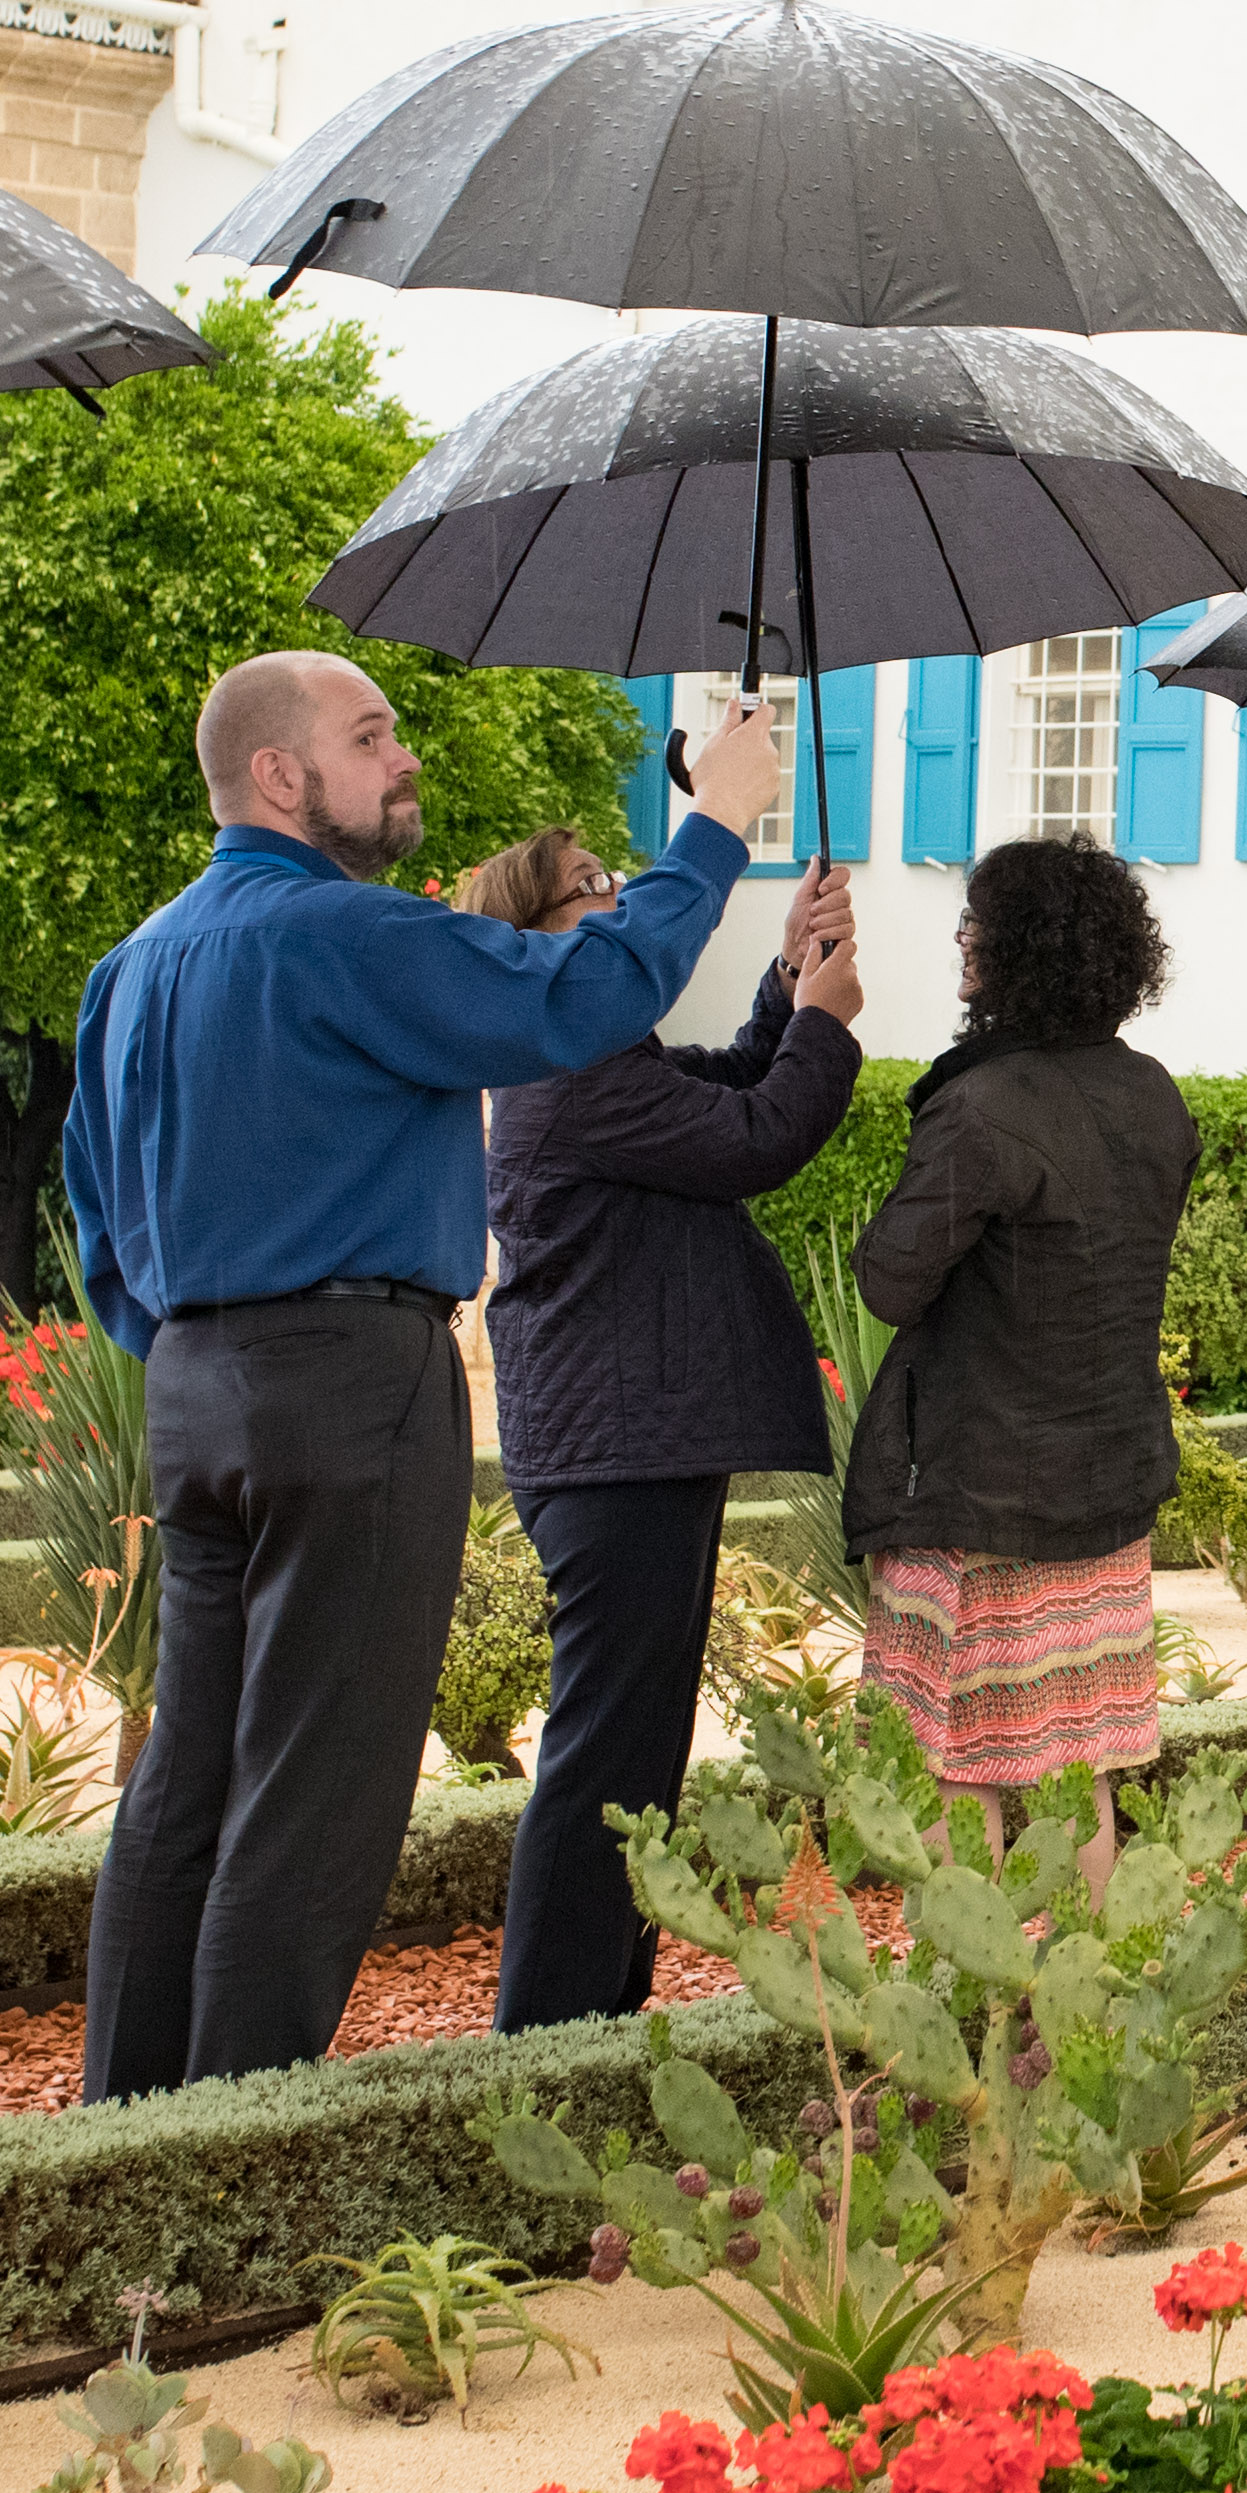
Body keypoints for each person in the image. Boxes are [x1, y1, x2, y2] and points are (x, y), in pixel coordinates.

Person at [61, 655, 770, 2101]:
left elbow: (98, 1230)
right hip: (346, 1379)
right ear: (277, 776)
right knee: (311, 1795)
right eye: (370, 737)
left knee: (186, 1783)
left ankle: (119, 2136)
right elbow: (581, 994)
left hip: (193, 1391)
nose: (405, 760)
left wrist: (205, 1350)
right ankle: (229, 2154)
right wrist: (717, 834)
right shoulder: (345, 934)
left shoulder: (128, 968)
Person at [469, 836, 865, 2030]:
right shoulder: (578, 1070)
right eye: (593, 886)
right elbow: (762, 1137)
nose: (621, 895)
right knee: (605, 1755)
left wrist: (791, 974)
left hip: (630, 1450)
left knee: (634, 1750)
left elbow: (740, 1082)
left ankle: (592, 2007)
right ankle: (547, 2027)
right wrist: (833, 1024)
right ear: (535, 935)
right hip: (614, 1454)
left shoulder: (602, 1057)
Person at [846, 841, 1199, 1862]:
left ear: (1023, 947)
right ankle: (1075, 2018)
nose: (963, 935)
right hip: (1106, 1480)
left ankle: (980, 2017)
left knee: (954, 1769)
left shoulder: (980, 1107)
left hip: (978, 1492)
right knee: (1075, 1765)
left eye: (979, 921)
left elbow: (888, 1280)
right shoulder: (1156, 1093)